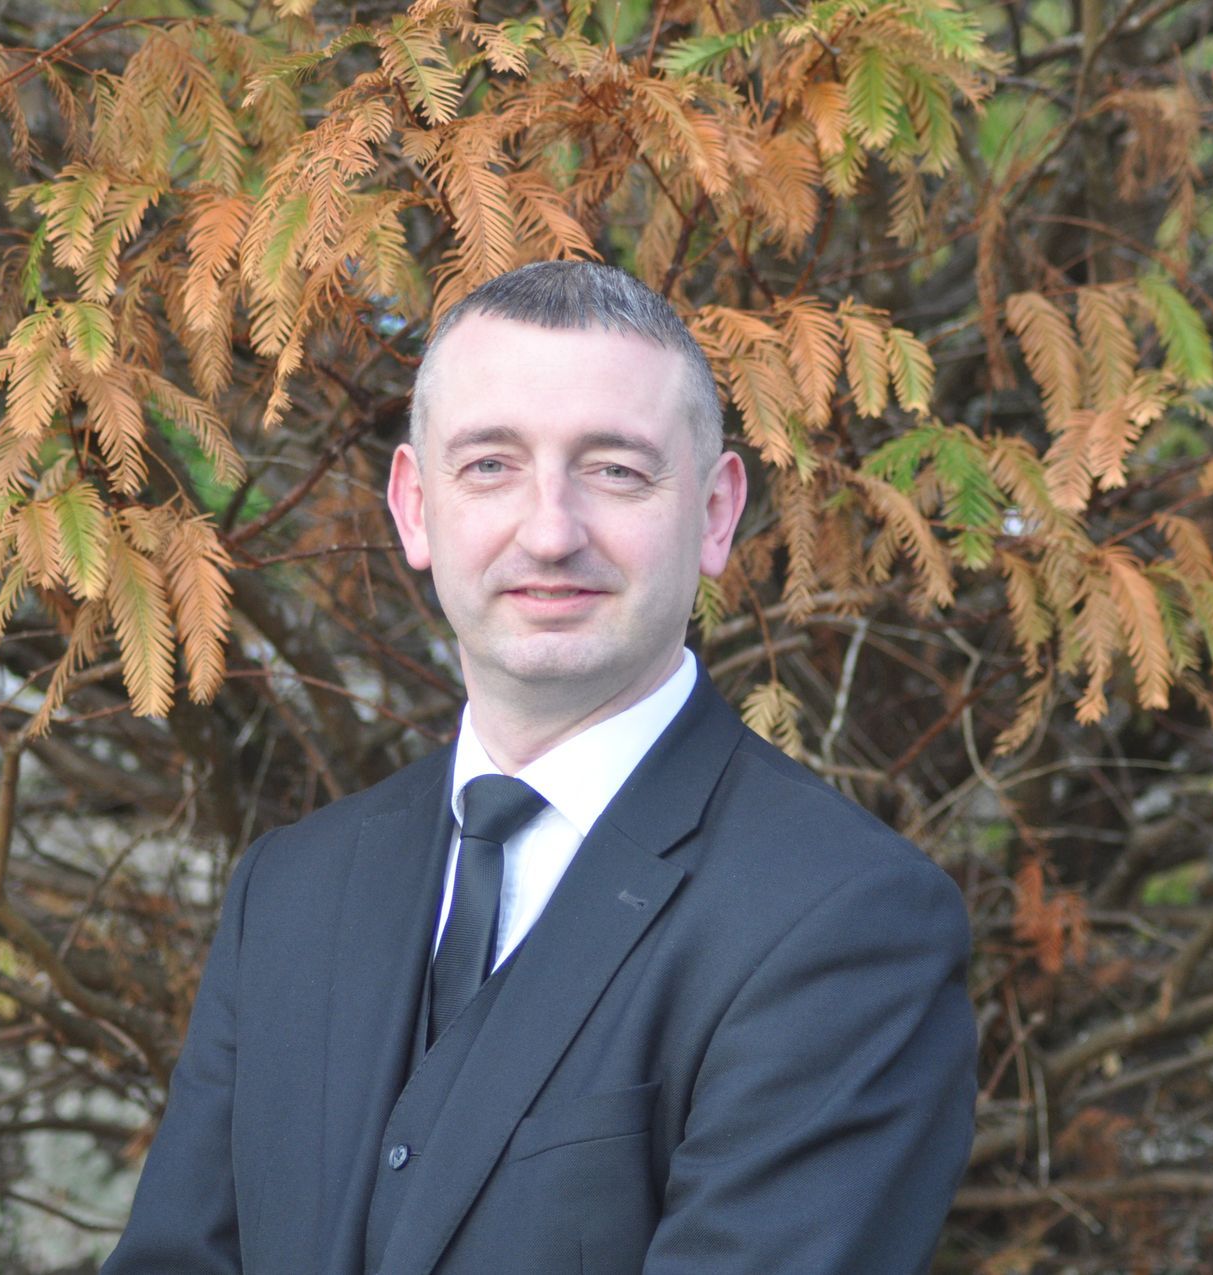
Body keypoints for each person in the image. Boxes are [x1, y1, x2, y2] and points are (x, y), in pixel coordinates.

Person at [102, 262, 976, 1275]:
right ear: (414, 507)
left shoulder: (846, 922)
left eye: (616, 471)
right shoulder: (291, 890)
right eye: (491, 466)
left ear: (715, 513)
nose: (552, 531)